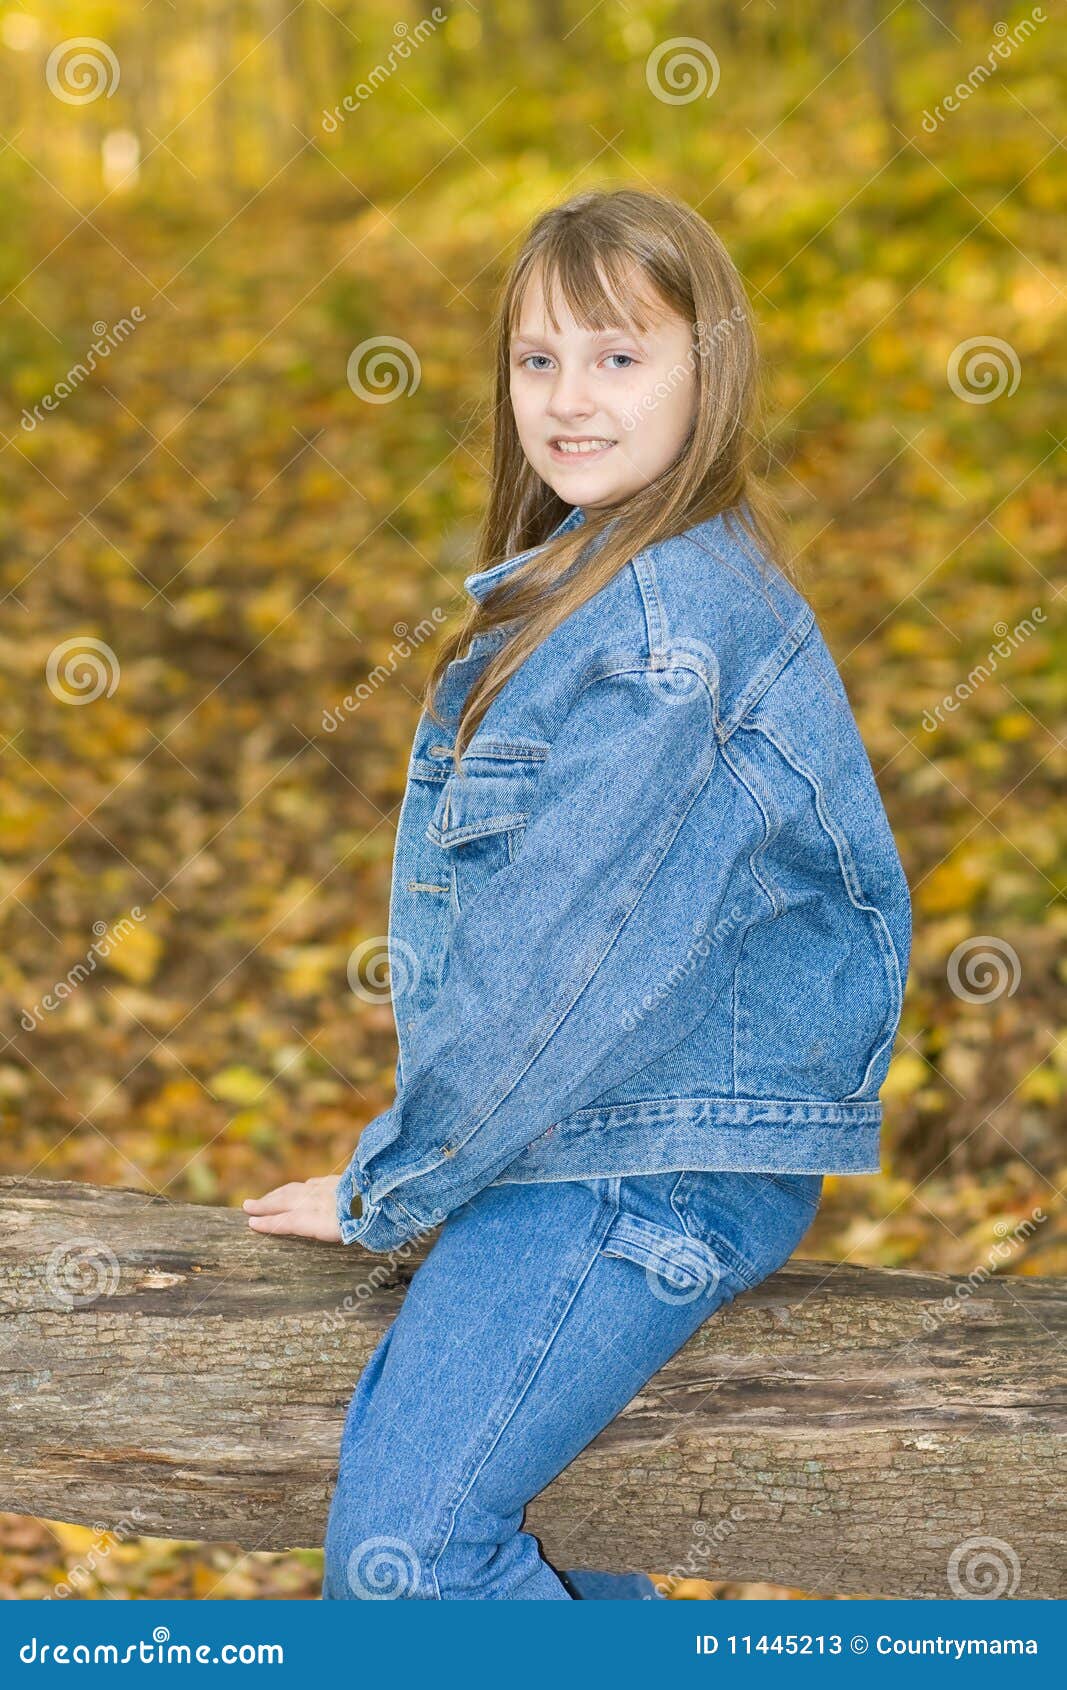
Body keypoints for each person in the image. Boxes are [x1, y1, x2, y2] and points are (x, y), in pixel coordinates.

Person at [242, 186, 911, 1600]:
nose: (569, 398)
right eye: (538, 359)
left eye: (620, 356)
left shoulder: (669, 635)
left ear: (707, 370)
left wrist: (396, 1183)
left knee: (402, 1558)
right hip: (592, 1144)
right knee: (554, 1551)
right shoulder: (586, 588)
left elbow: (554, 975)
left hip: (645, 1167)